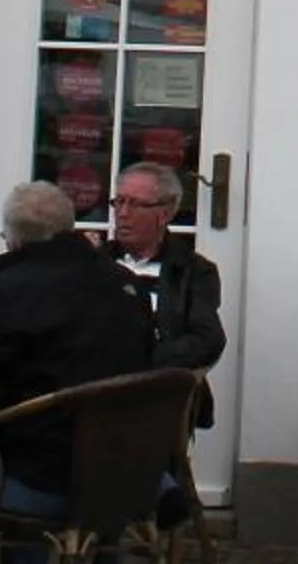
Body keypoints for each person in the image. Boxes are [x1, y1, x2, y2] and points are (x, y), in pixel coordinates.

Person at [0, 181, 153, 558]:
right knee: (35, 443)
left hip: (46, 479)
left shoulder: (10, 289)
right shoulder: (127, 287)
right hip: (126, 473)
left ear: (13, 240)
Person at [108, 163, 224, 426]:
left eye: (135, 204)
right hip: (91, 391)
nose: (122, 214)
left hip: (157, 392)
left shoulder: (193, 271)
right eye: (119, 202)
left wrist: (141, 365)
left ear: (165, 213)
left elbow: (208, 339)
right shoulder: (97, 262)